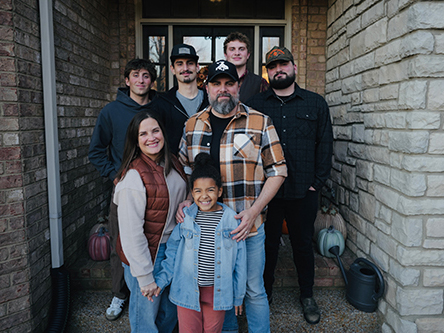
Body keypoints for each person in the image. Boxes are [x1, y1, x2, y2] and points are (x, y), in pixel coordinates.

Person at [177, 59, 287, 333]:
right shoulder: (192, 125)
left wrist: (254, 211)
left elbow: (278, 171)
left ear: (238, 86)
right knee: (219, 291)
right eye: (216, 84)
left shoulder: (260, 122)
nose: (223, 89)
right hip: (205, 231)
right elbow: (184, 169)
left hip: (246, 228)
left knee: (253, 289)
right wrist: (186, 199)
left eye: (229, 83)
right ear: (207, 88)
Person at [246, 46, 333, 325]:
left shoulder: (315, 103)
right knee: (267, 246)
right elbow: (247, 146)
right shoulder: (256, 104)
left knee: (302, 246)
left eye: (283, 64)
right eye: (272, 66)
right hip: (267, 193)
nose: (278, 70)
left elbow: (326, 144)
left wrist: (316, 183)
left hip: (302, 191)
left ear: (294, 68)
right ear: (267, 72)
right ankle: (265, 294)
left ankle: (307, 295)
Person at [88, 58, 158, 321]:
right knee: (121, 245)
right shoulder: (111, 112)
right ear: (127, 80)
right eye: (135, 75)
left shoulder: (159, 108)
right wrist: (114, 176)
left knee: (153, 242)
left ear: (152, 81)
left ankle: (152, 291)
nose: (141, 80)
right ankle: (119, 293)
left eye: (146, 76)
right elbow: (96, 151)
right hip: (124, 192)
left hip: (157, 191)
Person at [152, 152, 247, 332]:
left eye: (210, 190)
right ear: (192, 193)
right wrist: (161, 280)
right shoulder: (186, 218)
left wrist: (238, 297)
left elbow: (240, 263)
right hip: (187, 290)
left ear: (219, 191)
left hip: (217, 293)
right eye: (198, 191)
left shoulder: (232, 221)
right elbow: (172, 253)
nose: (204, 196)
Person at [113, 110, 188, 332]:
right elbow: (130, 233)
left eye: (155, 131)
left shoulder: (173, 161)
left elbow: (185, 191)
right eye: (143, 134)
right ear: (135, 141)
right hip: (147, 255)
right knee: (145, 319)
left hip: (173, 250)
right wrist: (145, 276)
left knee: (170, 312)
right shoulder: (133, 177)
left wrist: (189, 199)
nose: (151, 137)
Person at [149, 43, 209, 155]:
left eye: (190, 63)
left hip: (208, 169)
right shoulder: (161, 104)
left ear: (197, 67)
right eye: (180, 64)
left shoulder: (211, 102)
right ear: (172, 69)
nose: (185, 68)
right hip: (173, 169)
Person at [223, 32, 269, 102]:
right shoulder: (214, 82)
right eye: (232, 49)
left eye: (241, 49)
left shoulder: (260, 83)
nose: (237, 53)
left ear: (248, 55)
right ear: (226, 55)